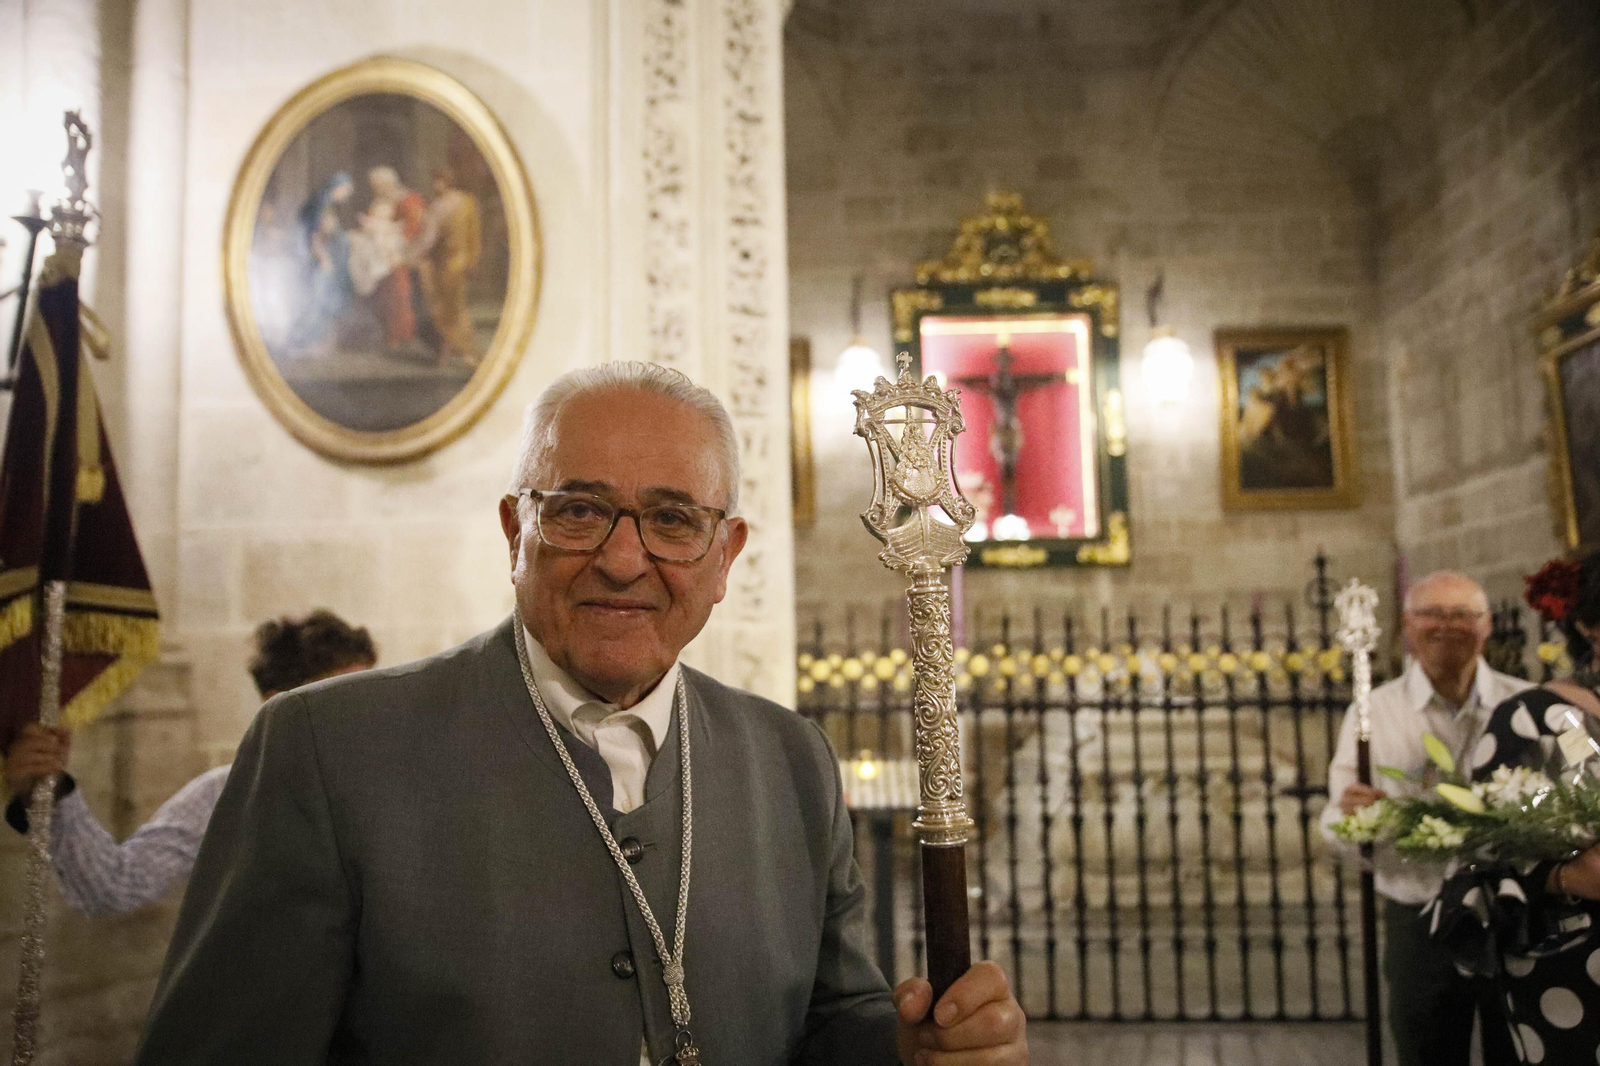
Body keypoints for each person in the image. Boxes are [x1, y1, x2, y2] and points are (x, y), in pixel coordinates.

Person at [132, 362, 1028, 1066]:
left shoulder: (790, 760)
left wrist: (910, 1048)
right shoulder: (329, 753)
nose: (624, 559)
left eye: (672, 520)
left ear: (725, 555)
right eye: (580, 511)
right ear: (514, 532)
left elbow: (828, 1025)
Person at [3, 611, 376, 916]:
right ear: (278, 706)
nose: (365, 716)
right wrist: (48, 793)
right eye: (345, 699)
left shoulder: (388, 783)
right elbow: (113, 888)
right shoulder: (229, 794)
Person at [1320, 571, 1531, 1066]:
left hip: (1514, 911)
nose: (1446, 625)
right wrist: (1355, 818)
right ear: (1407, 627)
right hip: (1419, 913)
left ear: (1486, 626)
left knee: (1519, 1050)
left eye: (1462, 614)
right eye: (1431, 614)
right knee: (1426, 1049)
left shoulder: (1523, 703)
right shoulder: (1373, 713)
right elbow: (1337, 819)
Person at [1427, 552, 1600, 1065]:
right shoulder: (1543, 717)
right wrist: (1567, 876)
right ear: (1589, 625)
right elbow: (1492, 846)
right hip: (1578, 969)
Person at [412, 166, 482, 367]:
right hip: (440, 264)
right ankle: (448, 352)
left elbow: (474, 234)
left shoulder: (466, 202)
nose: (436, 185)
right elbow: (427, 240)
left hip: (457, 263)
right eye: (434, 181)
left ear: (448, 181)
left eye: (440, 181)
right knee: (443, 309)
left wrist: (473, 260)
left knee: (455, 308)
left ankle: (467, 352)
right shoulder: (437, 206)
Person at [366, 165, 429, 350]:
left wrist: (395, 239)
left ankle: (404, 335)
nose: (376, 190)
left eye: (377, 186)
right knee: (386, 296)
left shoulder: (409, 199)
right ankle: (391, 335)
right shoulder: (382, 201)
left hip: (406, 255)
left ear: (388, 184)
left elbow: (416, 228)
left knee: (401, 295)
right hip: (386, 256)